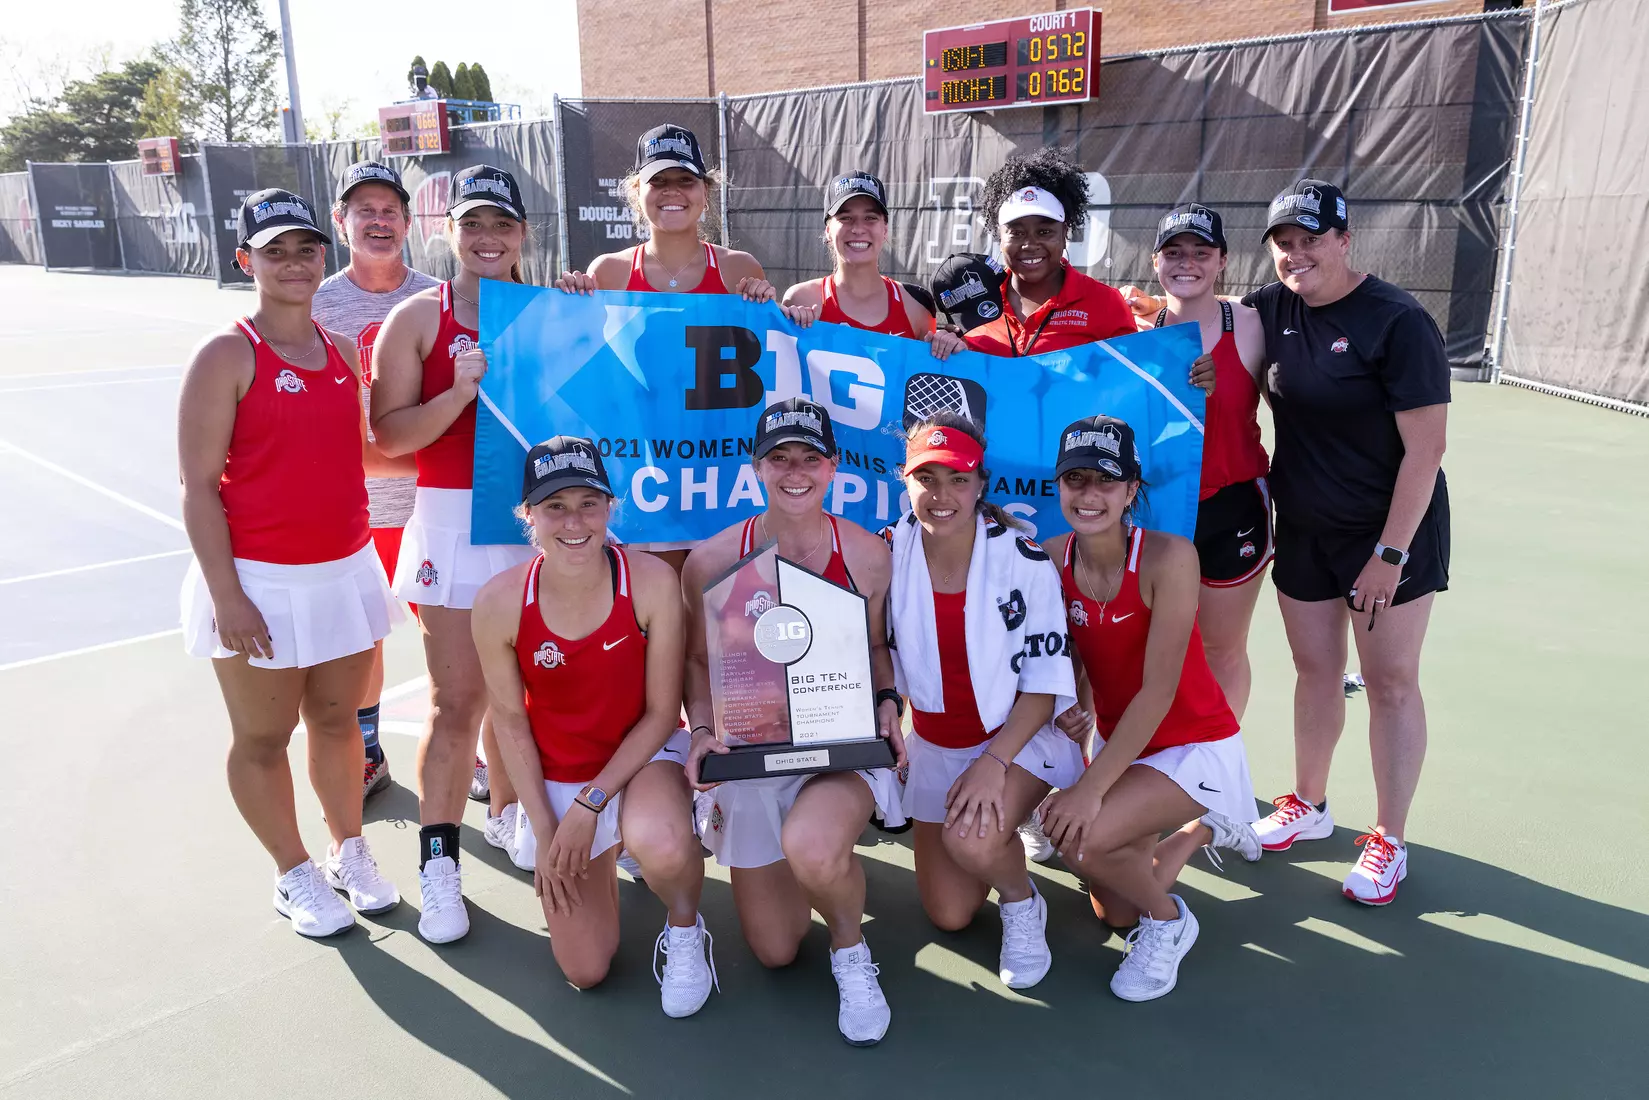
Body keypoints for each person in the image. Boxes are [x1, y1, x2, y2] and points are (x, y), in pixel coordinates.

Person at [178, 189, 402, 937]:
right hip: (258, 583)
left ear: (323, 255)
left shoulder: (343, 353)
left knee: (339, 725)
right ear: (246, 261)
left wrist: (461, 410)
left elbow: (359, 455)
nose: (294, 263)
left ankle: (349, 850)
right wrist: (227, 596)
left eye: (306, 249)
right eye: (274, 251)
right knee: (264, 740)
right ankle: (293, 872)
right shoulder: (226, 354)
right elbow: (198, 488)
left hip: (343, 572)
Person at [1242, 179, 1450, 906]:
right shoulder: (1272, 307)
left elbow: (1425, 453)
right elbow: (1201, 328)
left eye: (1309, 240)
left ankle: (1388, 839)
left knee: (1389, 683)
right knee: (1313, 669)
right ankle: (1308, 803)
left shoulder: (1395, 321)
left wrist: (1389, 554)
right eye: (1283, 243)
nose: (1296, 255)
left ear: (1343, 239)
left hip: (1386, 532)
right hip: (1301, 524)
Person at [681, 398, 906, 1047]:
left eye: (810, 458)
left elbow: (874, 649)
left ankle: (849, 947)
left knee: (812, 846)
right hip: (752, 752)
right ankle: (812, 878)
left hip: (839, 746)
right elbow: (698, 661)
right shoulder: (711, 559)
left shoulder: (865, 555)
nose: (795, 472)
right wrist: (701, 729)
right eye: (779, 459)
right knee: (775, 950)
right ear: (756, 467)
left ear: (832, 466)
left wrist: (888, 703)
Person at [470, 436, 715, 1012]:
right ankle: (605, 853)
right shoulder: (499, 601)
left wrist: (590, 806)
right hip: (559, 776)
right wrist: (549, 826)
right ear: (528, 515)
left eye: (588, 503)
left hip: (639, 761)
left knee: (660, 836)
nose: (573, 521)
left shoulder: (651, 581)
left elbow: (661, 714)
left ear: (611, 507)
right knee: (586, 969)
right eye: (555, 506)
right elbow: (510, 725)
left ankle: (684, 928)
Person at [1035, 415, 1262, 1001]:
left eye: (1105, 482)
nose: (1089, 496)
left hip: (1194, 741)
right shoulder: (1052, 557)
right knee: (1112, 910)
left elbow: (1159, 692)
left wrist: (1088, 787)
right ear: (1057, 486)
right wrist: (1074, 710)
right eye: (1075, 480)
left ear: (1132, 490)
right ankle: (1203, 829)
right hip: (1125, 742)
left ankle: (1171, 922)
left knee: (1084, 841)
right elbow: (1070, 655)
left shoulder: (1169, 558)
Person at [369, 165, 539, 943]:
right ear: (450, 233)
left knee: (531, 700)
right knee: (456, 703)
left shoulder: (552, 311)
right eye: (473, 225)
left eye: (502, 226)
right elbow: (389, 436)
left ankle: (513, 817)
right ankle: (440, 869)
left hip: (541, 524)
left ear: (523, 236)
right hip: (447, 521)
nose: (488, 239)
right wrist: (458, 393)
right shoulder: (417, 318)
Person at [883, 412, 1084, 990]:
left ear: (982, 483)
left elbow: (1046, 686)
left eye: (959, 479)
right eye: (928, 478)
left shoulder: (1024, 561)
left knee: (968, 839)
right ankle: (1004, 834)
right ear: (905, 480)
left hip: (1015, 742)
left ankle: (1022, 901)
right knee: (948, 913)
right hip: (935, 747)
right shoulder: (887, 551)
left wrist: (992, 766)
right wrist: (887, 708)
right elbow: (873, 647)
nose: (943, 495)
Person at [556, 123, 804, 568]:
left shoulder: (737, 270)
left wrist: (780, 313)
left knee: (722, 620)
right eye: (659, 181)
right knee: (656, 620)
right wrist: (570, 303)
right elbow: (580, 371)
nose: (673, 193)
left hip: (718, 482)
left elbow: (772, 365)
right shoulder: (609, 272)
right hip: (640, 484)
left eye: (686, 181)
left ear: (705, 192)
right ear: (638, 192)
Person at [312, 160, 440, 799]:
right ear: (342, 222)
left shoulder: (438, 295)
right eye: (365, 209)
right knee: (361, 638)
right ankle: (367, 751)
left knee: (445, 631)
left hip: (432, 501)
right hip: (355, 509)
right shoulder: (316, 301)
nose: (379, 220)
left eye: (390, 210)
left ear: (409, 222)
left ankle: (459, 747)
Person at [1146, 204, 1271, 718]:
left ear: (1222, 260)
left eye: (1201, 252)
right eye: (1174, 252)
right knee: (1152, 649)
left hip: (1232, 507)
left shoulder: (1252, 326)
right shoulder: (1133, 330)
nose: (1187, 263)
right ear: (1155, 261)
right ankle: (1149, 767)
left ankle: (1220, 775)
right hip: (1157, 512)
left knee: (1222, 648)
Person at [939, 147, 1136, 358]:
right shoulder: (974, 299)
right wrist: (946, 346)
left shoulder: (1105, 303)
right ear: (999, 235)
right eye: (1016, 232)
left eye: (1044, 232)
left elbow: (1131, 382)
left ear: (1064, 232)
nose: (1030, 244)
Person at [782, 172, 934, 338]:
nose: (858, 229)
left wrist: (950, 345)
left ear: (884, 229)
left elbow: (935, 361)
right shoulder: (801, 299)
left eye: (870, 217)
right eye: (846, 218)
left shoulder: (916, 308)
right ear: (828, 231)